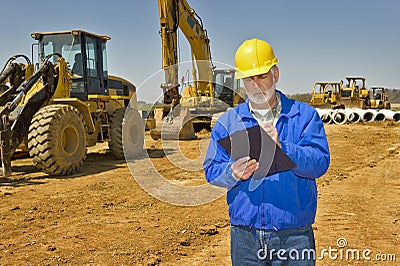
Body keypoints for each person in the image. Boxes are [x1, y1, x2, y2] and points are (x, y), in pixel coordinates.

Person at [203, 38, 330, 265]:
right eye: (249, 79)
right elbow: (211, 169)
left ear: (276, 74)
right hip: (245, 236)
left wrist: (284, 148)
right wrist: (232, 172)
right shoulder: (229, 121)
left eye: (261, 76)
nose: (256, 85)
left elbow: (320, 162)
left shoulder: (304, 117)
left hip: (294, 235)